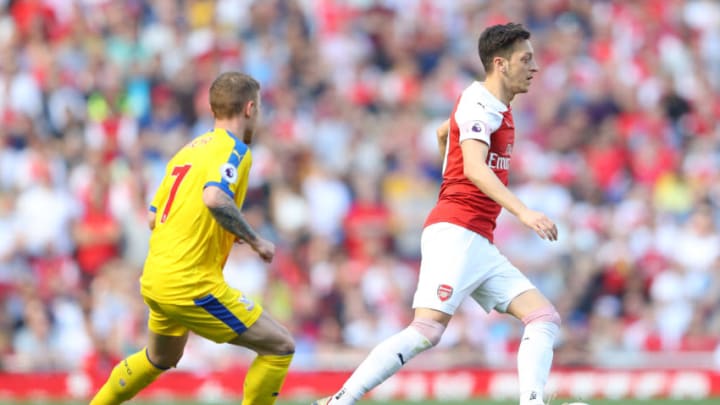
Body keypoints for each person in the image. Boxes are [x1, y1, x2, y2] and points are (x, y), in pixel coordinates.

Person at [314, 22, 560, 405]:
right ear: (500, 64)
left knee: (543, 318)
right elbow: (476, 168)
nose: (534, 66)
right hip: (457, 231)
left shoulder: (490, 106)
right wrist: (525, 213)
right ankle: (339, 400)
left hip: (476, 238)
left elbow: (445, 132)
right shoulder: (481, 103)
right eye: (525, 59)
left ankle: (532, 402)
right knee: (426, 329)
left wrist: (448, 147)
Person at [90, 72, 295, 405]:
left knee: (159, 359)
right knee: (280, 346)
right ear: (249, 108)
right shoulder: (235, 150)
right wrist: (255, 239)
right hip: (190, 283)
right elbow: (215, 198)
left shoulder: (186, 152)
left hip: (157, 276)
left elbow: (154, 216)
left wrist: (216, 230)